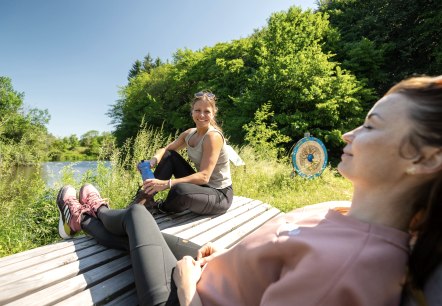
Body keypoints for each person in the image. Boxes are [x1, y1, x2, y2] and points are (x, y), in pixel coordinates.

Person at [56, 76, 442, 306]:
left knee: (139, 216)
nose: (348, 134)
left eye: (371, 126)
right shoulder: (343, 211)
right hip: (219, 270)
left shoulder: (346, 267)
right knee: (147, 232)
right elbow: (283, 260)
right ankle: (90, 215)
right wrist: (235, 257)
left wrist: (187, 286)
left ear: (426, 160)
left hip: (184, 296)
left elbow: (206, 177)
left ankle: (86, 215)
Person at [133, 91, 233, 215]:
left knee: (180, 190)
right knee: (170, 156)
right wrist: (153, 160)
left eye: (207, 111)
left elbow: (204, 177)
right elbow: (165, 149)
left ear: (213, 114)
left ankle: (159, 207)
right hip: (203, 188)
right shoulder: (189, 133)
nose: (201, 115)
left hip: (219, 195)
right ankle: (143, 199)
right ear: (192, 112)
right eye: (197, 110)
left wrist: (166, 184)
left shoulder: (213, 137)